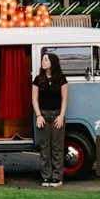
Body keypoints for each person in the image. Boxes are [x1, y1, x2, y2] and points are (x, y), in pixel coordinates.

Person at [31, 50, 69, 187]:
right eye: (43, 60)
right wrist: (38, 116)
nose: (43, 62)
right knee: (44, 147)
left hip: (57, 115)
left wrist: (61, 116)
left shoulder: (61, 79)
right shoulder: (38, 79)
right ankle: (46, 177)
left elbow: (64, 99)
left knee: (57, 147)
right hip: (43, 115)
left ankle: (57, 177)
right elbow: (34, 99)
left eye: (46, 60)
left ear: (53, 62)